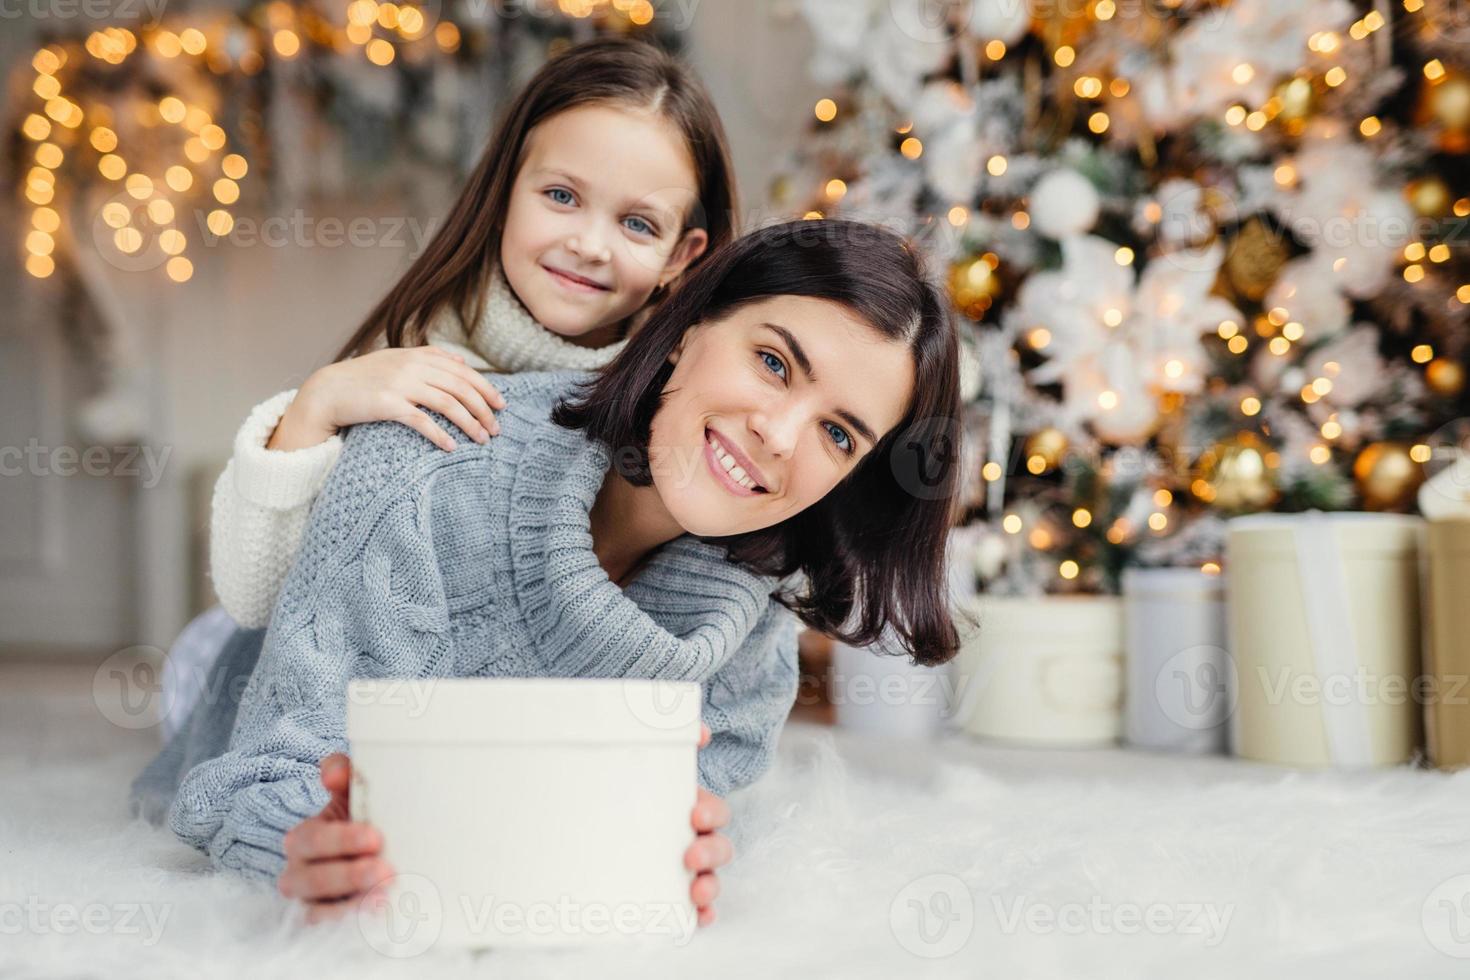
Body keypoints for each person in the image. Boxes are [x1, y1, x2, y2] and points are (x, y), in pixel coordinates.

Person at [136, 218, 964, 929]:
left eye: (840, 436)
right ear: (686, 332)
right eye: (776, 364)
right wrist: (301, 844)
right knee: (208, 663)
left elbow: (689, 808)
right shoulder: (421, 465)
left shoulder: (755, 613)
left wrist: (688, 842)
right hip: (237, 662)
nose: (781, 437)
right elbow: (253, 778)